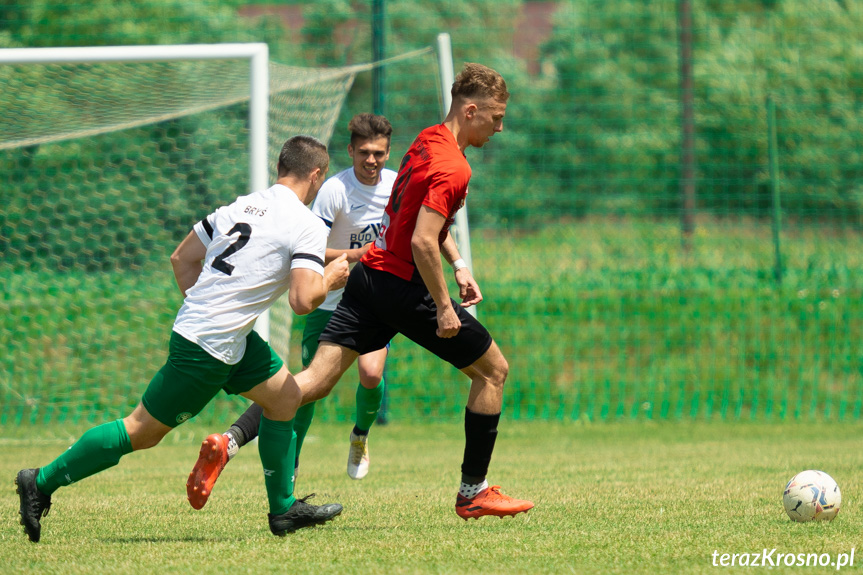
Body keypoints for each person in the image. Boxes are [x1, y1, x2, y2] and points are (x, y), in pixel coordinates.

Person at [14, 135, 351, 542]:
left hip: (224, 338)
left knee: (286, 398)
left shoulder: (239, 206)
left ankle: (283, 510)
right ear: (316, 175)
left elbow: (182, 258)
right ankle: (40, 481)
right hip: (207, 349)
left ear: (280, 167)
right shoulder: (307, 224)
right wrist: (330, 278)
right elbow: (303, 300)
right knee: (141, 430)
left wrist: (208, 309)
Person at [295, 62, 532, 520]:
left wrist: (459, 265)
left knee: (315, 381)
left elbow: (411, 219)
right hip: (402, 284)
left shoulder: (427, 140)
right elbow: (423, 239)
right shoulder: (453, 167)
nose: (501, 126)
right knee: (493, 372)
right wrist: (444, 307)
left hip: (370, 277)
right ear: (470, 110)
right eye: (496, 116)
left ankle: (230, 439)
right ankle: (472, 491)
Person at [186, 114, 397, 510]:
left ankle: (359, 437)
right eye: (365, 152)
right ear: (350, 152)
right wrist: (353, 256)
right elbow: (312, 251)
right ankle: (284, 469)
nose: (372, 160)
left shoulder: (395, 185)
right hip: (327, 303)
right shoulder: (334, 191)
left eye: (380, 153)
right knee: (304, 392)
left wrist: (455, 265)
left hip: (372, 302)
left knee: (368, 374)